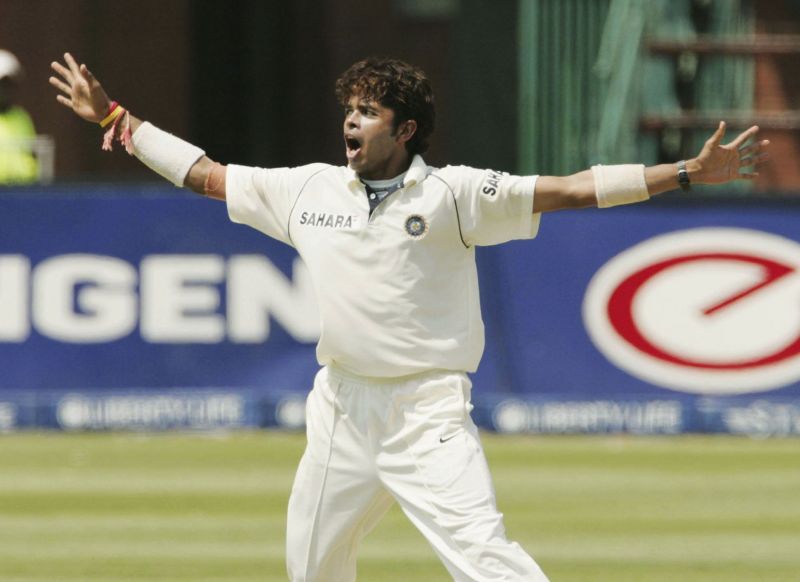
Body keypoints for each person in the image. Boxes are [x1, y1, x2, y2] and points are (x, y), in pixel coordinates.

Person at [50, 52, 768, 581]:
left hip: (428, 412)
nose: (351, 122)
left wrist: (680, 174)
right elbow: (208, 174)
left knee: (485, 558)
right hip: (341, 406)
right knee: (311, 565)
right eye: (349, 110)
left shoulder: (455, 195)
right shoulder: (307, 190)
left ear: (407, 130)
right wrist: (119, 119)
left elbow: (572, 191)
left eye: (368, 113)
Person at [0, 49, 38, 184]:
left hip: (23, 193)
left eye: (9, 84)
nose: (4, 90)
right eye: (1, 84)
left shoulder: (22, 117)